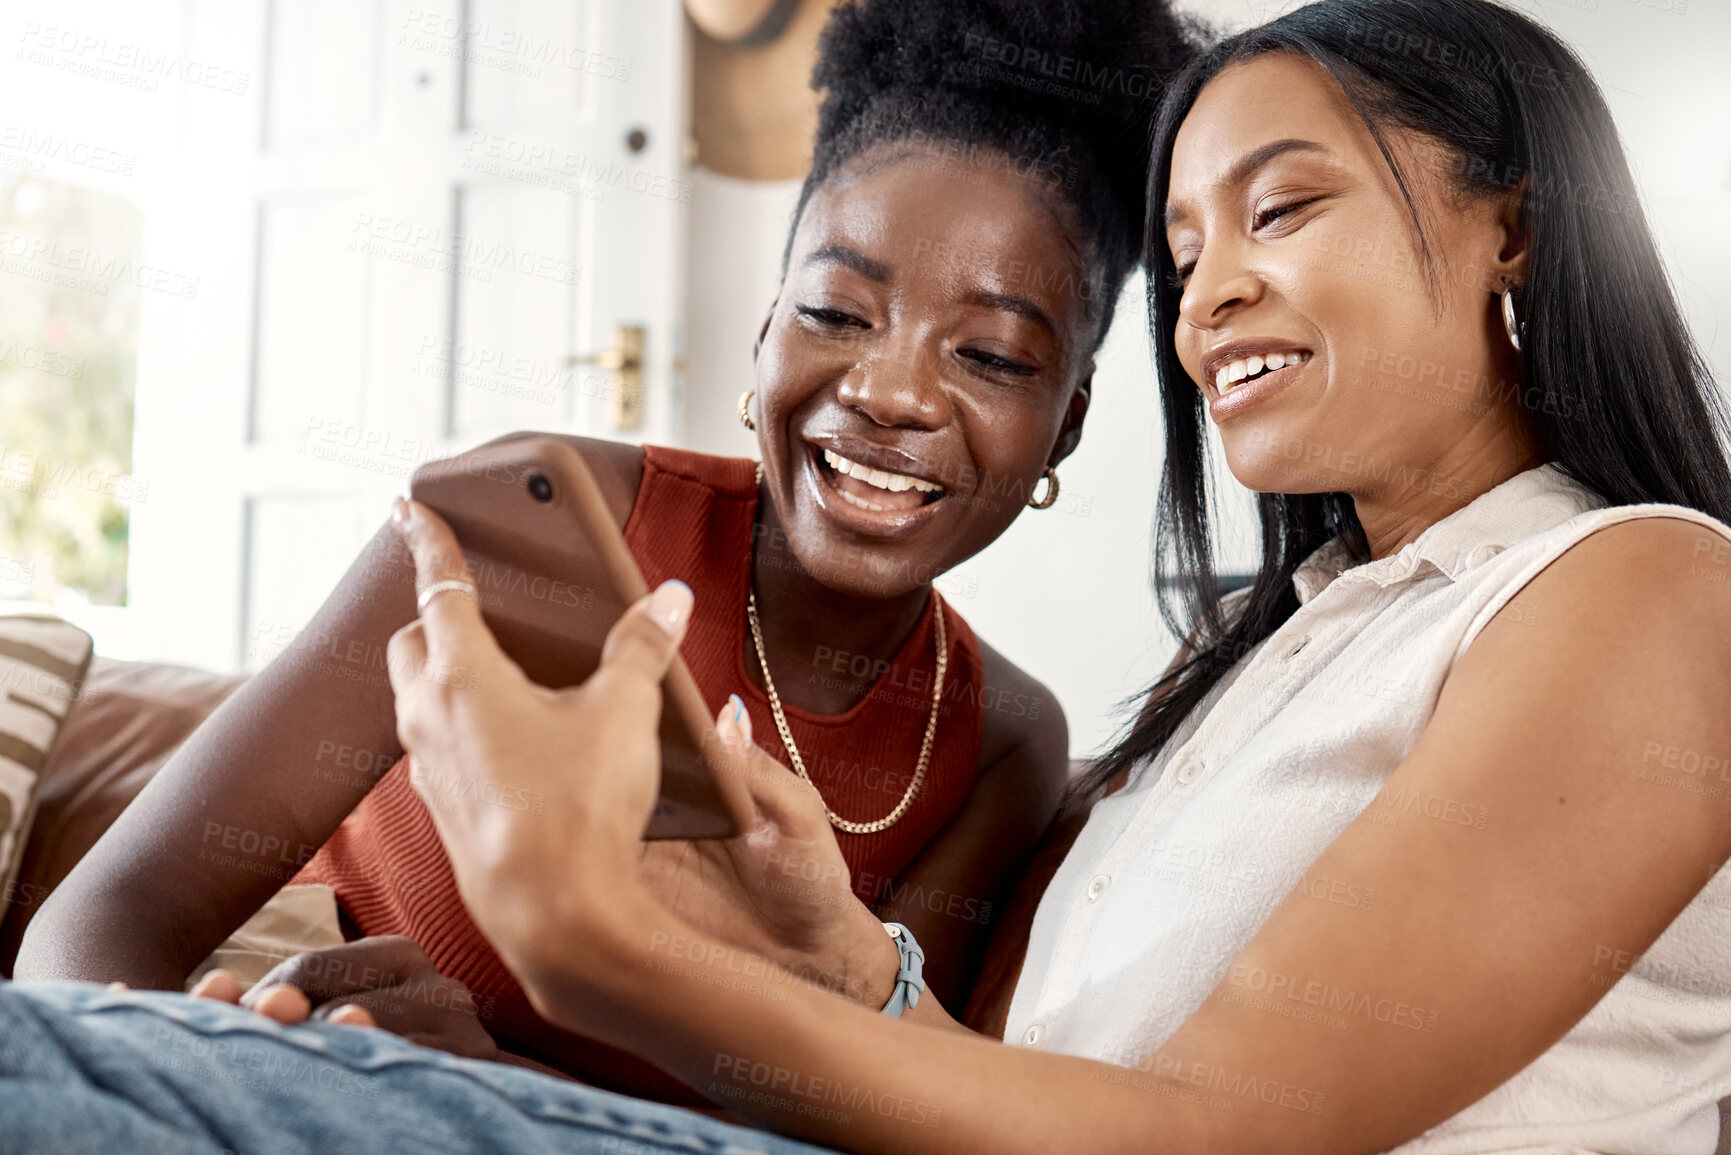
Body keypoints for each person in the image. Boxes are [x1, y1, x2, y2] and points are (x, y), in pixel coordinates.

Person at [8, 0, 1731, 1151]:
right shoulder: (1272, 655)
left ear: (1513, 224)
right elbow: (1010, 1088)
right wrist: (836, 959)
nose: (1207, 300)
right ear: (761, 324)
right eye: (1190, 251)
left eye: (1277, 213)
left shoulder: (1645, 596)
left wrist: (590, 941)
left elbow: (1210, 1130)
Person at [13, 0, 1192, 1101]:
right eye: (836, 313)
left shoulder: (1001, 745)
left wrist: (499, 1094)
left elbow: (864, 1100)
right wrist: (212, 1067)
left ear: (1068, 421)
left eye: (989, 356)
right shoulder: (522, 520)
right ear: (766, 327)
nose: (889, 391)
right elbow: (97, 925)